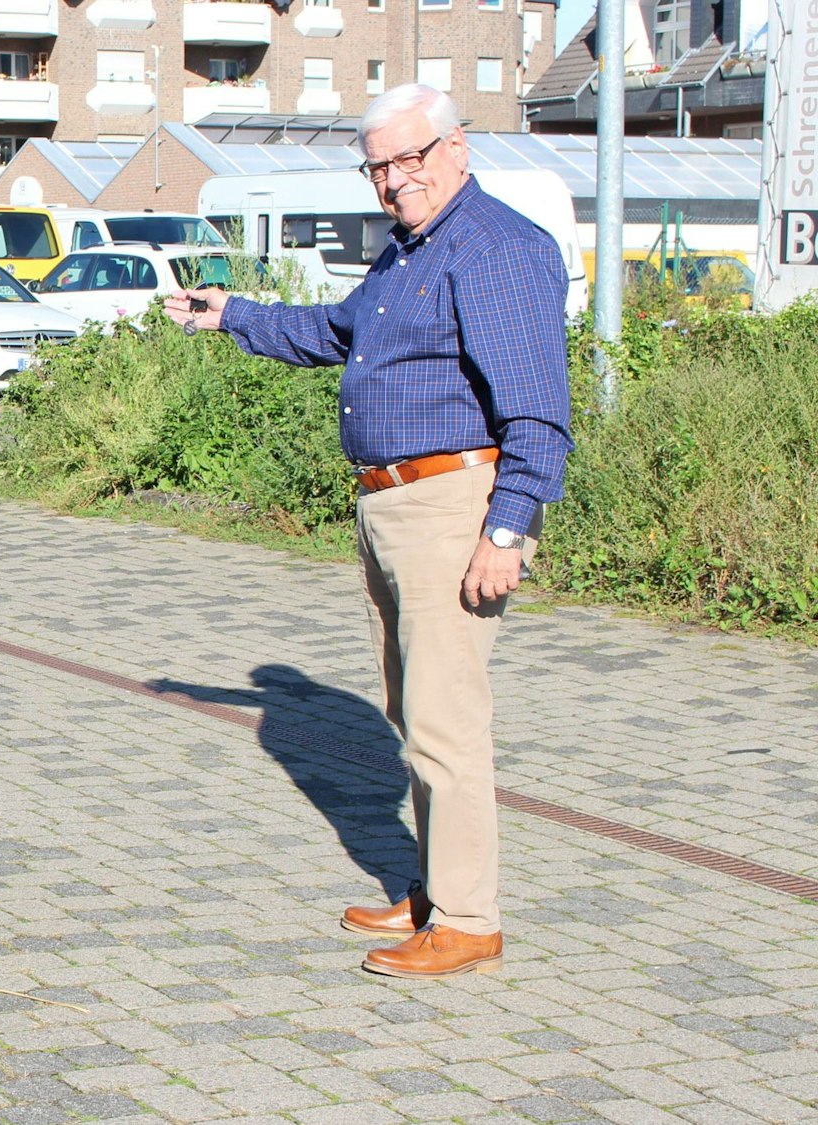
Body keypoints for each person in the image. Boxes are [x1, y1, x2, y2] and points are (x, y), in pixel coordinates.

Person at [163, 84, 572, 979]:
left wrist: (507, 533)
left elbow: (537, 413)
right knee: (411, 709)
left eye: (408, 159)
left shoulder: (496, 249)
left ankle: (468, 918)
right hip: (390, 506)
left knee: (445, 720)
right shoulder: (409, 256)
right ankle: (433, 887)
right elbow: (334, 331)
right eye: (377, 166)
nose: (392, 181)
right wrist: (233, 314)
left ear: (455, 150)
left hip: (451, 506)